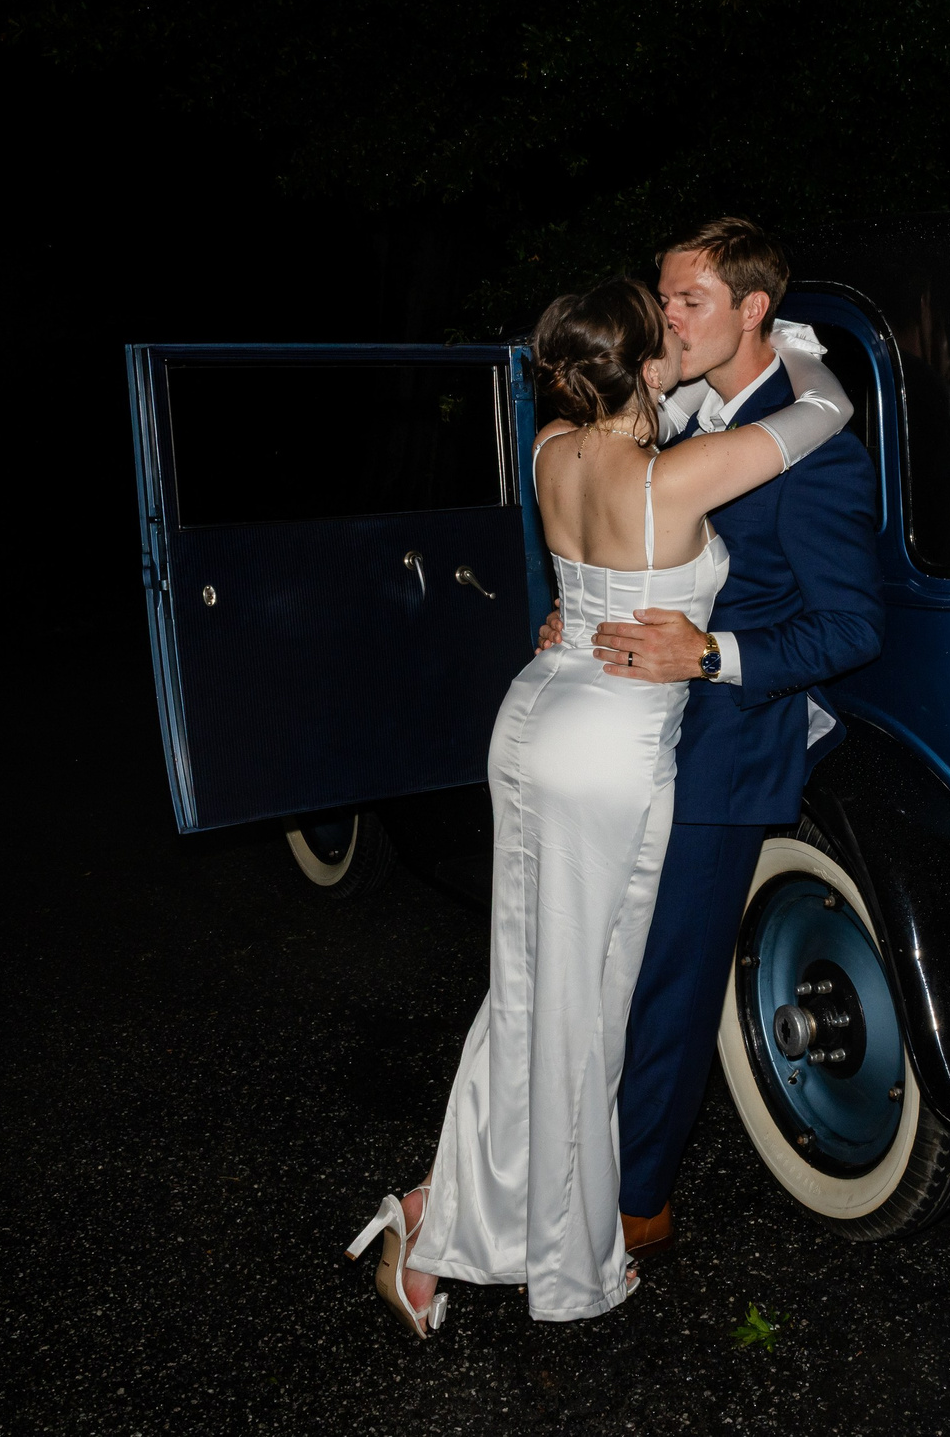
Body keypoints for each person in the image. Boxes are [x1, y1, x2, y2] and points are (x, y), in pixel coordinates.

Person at [340, 272, 853, 1333]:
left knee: (527, 991)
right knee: (579, 1007)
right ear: (643, 367)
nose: (675, 331)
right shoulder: (674, 477)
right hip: (607, 753)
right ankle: (556, 1262)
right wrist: (795, 339)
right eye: (660, 328)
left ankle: (436, 1222)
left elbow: (587, 568)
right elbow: (825, 412)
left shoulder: (550, 451)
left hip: (530, 720)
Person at [589, 218, 886, 1266]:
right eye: (663, 298)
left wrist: (709, 656)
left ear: (755, 307)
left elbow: (851, 628)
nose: (665, 316)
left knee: (671, 976)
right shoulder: (671, 417)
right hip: (629, 725)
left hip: (728, 745)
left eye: (688, 301)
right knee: (608, 963)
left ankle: (635, 1206)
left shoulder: (813, 450)